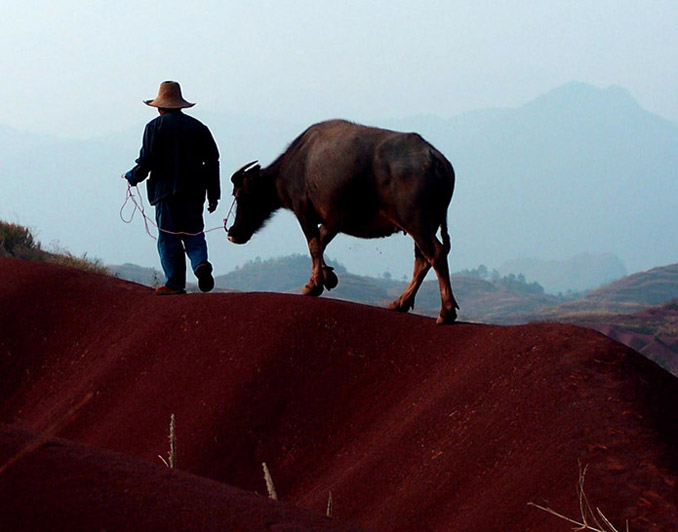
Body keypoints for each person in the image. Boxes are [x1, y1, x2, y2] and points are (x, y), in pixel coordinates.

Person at [124, 81, 220, 295]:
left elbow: (146, 162)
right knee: (194, 234)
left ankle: (175, 284)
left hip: (165, 193)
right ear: (180, 106)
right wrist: (214, 195)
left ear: (160, 107)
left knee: (169, 238)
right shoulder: (198, 127)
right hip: (195, 194)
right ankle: (200, 264)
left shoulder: (153, 128)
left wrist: (132, 177)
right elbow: (213, 160)